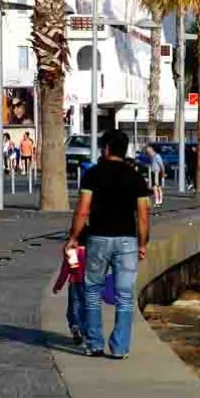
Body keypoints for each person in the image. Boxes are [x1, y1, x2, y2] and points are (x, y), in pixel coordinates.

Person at [65, 128, 150, 359]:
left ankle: (94, 343)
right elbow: (143, 215)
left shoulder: (92, 175)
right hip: (127, 241)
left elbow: (83, 210)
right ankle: (120, 347)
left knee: (92, 291)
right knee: (124, 295)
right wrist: (143, 243)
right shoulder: (136, 178)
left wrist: (73, 238)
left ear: (106, 149)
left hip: (98, 239)